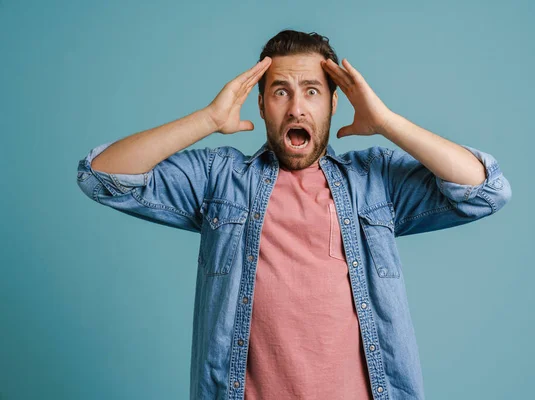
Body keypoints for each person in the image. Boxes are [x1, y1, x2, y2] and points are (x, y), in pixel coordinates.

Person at [76, 29, 512, 400]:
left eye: (312, 91)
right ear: (262, 104)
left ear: (334, 104)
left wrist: (384, 120)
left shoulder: (373, 180)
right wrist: (208, 119)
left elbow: (484, 190)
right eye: (281, 91)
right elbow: (102, 177)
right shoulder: (220, 179)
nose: (297, 109)